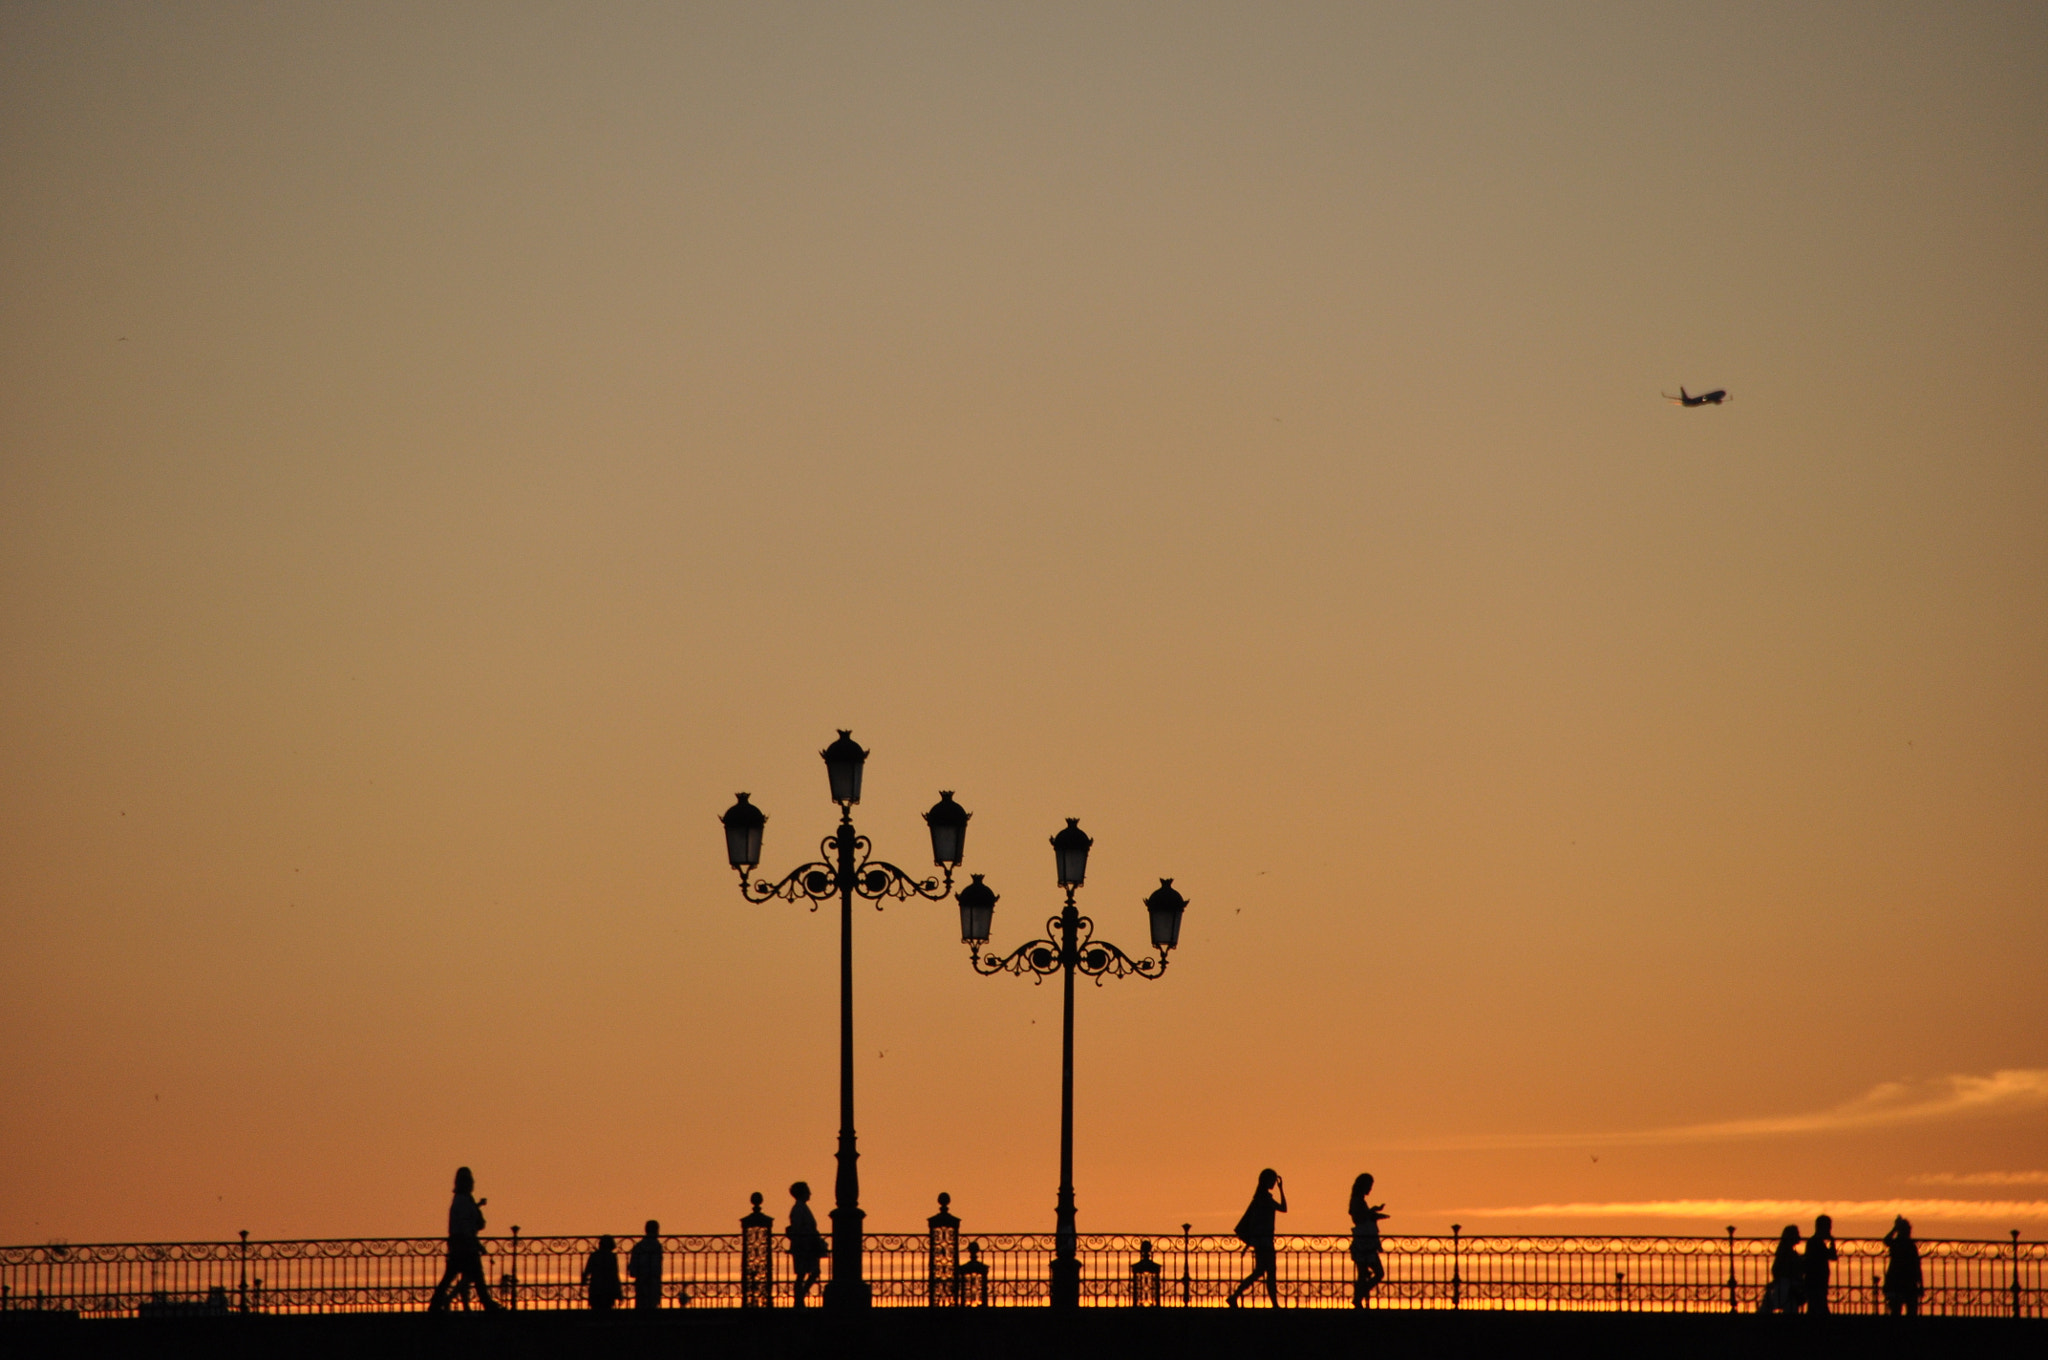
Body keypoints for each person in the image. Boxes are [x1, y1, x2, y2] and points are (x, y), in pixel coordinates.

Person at [427, 1167, 500, 1311]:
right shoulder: (462, 1201)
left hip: (460, 1245)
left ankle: (436, 1304)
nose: (472, 1184)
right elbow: (466, 1225)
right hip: (464, 1246)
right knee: (476, 1277)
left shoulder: (464, 1200)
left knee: (453, 1276)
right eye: (469, 1181)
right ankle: (488, 1305)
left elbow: (473, 1222)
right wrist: (475, 1242)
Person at [1226, 1168, 1288, 1308]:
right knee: (1269, 1273)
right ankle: (1274, 1305)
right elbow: (1284, 1208)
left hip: (1261, 1241)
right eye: (1272, 1180)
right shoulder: (1265, 1199)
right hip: (1265, 1242)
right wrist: (1281, 1189)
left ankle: (1235, 1296)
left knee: (1260, 1272)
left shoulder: (1259, 1198)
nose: (1273, 1183)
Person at [1347, 1173, 1388, 1308]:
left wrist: (1373, 1213)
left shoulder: (1358, 1200)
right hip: (1364, 1242)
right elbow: (1359, 1217)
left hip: (1364, 1241)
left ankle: (1358, 1298)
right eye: (1369, 1186)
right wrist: (1373, 1213)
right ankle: (1359, 1296)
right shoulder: (1357, 1200)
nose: (1370, 1189)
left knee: (1363, 1274)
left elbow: (1363, 1216)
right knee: (1378, 1273)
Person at [786, 1182, 827, 1308]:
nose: (810, 1193)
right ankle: (799, 1298)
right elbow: (798, 1228)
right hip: (804, 1246)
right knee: (805, 1273)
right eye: (808, 1191)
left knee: (806, 1273)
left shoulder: (801, 1207)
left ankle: (800, 1297)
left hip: (806, 1244)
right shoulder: (799, 1208)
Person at [1882, 1216, 1922, 1317]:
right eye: (1908, 1229)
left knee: (1897, 1310)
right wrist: (1920, 1284)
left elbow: (1886, 1240)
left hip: (1897, 1280)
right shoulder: (1908, 1245)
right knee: (1909, 1311)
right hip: (1906, 1281)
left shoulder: (1898, 1243)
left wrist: (1895, 1229)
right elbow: (1917, 1266)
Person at [1758, 1225, 1802, 1314]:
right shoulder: (1787, 1253)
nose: (1799, 1237)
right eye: (1797, 1234)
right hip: (1787, 1285)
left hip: (1785, 1284)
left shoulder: (1786, 1251)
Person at [1802, 1213, 1837, 1315]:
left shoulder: (1815, 1241)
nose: (1830, 1229)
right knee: (1818, 1307)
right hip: (1815, 1280)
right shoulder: (1815, 1242)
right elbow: (1832, 1256)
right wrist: (1831, 1242)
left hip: (1817, 1280)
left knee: (1815, 1307)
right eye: (1828, 1226)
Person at [628, 1221, 663, 1311]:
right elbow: (657, 1266)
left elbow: (633, 1267)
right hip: (652, 1280)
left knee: (641, 1306)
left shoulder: (639, 1246)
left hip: (641, 1280)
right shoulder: (656, 1246)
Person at [581, 1235, 622, 1311]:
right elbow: (614, 1275)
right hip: (608, 1290)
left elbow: (587, 1271)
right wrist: (619, 1292)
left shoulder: (594, 1256)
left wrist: (584, 1281)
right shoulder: (611, 1257)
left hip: (595, 1289)